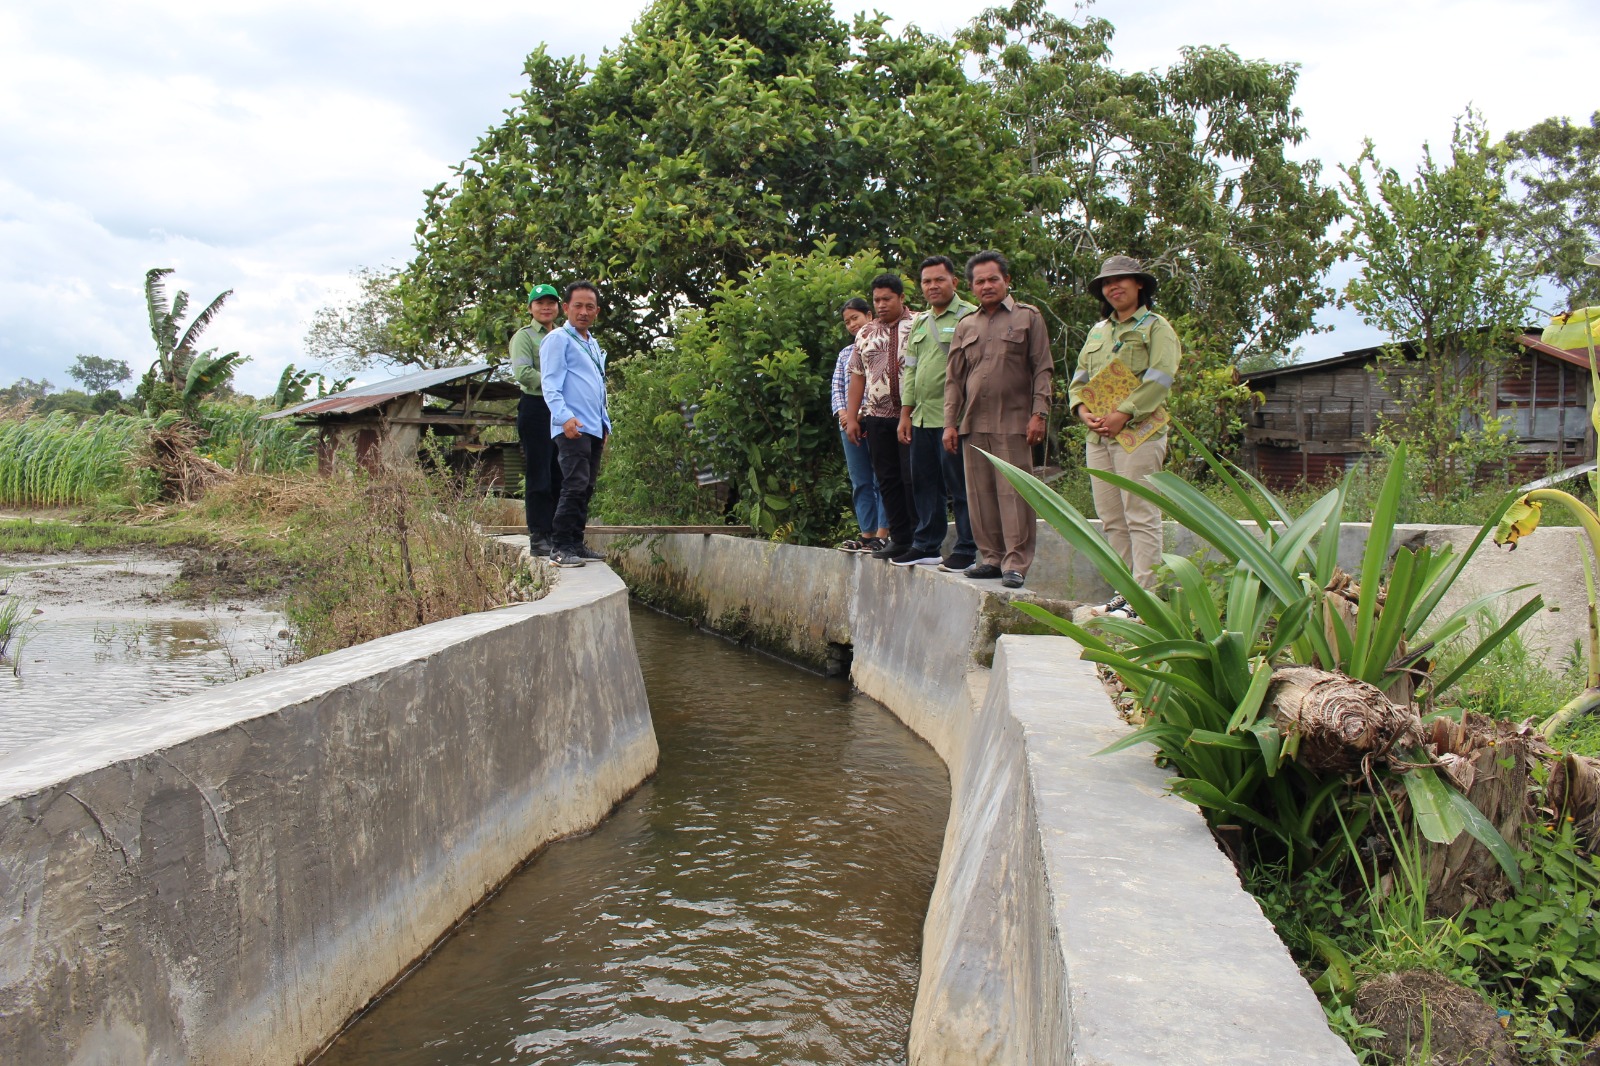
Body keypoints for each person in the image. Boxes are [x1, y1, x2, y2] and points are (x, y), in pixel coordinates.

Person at [1069, 255, 1182, 617]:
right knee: (1112, 517)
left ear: (1139, 285)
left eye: (1121, 280)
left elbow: (1161, 376)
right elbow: (1079, 379)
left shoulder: (1155, 327)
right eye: (1106, 283)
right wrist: (1083, 411)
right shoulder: (1098, 331)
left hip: (1139, 435)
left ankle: (1144, 598)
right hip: (1099, 438)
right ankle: (1124, 591)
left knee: (1140, 514)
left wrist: (1123, 414)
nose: (1113, 287)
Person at [942, 251, 1053, 590]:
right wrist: (950, 422)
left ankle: (1015, 564)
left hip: (1015, 422)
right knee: (980, 495)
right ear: (972, 287)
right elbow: (954, 380)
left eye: (993, 279)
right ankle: (990, 558)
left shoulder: (1028, 318)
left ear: (1006, 280)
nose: (987, 285)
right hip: (973, 424)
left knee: (1014, 495)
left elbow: (1042, 368)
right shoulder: (966, 325)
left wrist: (1039, 413)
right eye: (980, 281)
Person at [894, 256, 978, 570]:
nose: (932, 286)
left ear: (954, 282)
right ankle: (926, 544)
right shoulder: (919, 322)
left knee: (960, 486)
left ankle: (967, 548)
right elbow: (911, 372)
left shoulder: (970, 316)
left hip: (953, 419)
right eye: (926, 281)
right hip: (922, 417)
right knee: (924, 483)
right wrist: (905, 414)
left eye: (939, 280)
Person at [844, 273, 917, 561]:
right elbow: (857, 377)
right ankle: (899, 539)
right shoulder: (865, 333)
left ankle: (919, 537)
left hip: (912, 416)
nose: (882, 304)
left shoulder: (919, 324)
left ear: (901, 298)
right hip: (876, 416)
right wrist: (852, 418)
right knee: (887, 479)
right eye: (877, 300)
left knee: (914, 478)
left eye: (887, 298)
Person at [540, 281, 611, 569]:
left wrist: (605, 425)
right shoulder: (558, 339)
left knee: (587, 486)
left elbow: (598, 387)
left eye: (589, 307)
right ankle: (559, 547)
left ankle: (575, 543)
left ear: (597, 311)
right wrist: (564, 417)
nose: (584, 312)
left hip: (593, 427)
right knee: (574, 483)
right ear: (566, 308)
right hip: (572, 425)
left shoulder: (591, 343)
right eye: (578, 306)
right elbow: (550, 384)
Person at [831, 297, 889, 553]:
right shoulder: (845, 353)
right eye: (847, 322)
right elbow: (837, 388)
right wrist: (845, 415)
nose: (852, 324)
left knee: (883, 479)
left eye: (855, 318)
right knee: (861, 481)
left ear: (869, 315)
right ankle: (866, 534)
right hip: (849, 425)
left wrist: (861, 413)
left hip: (877, 420)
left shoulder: (882, 344)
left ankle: (883, 534)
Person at [509, 283, 563, 556]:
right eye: (540, 303)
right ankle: (539, 536)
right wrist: (557, 386)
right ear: (530, 308)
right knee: (539, 472)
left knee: (560, 472)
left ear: (558, 307)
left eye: (551, 302)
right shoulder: (525, 336)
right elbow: (524, 373)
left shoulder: (565, 336)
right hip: (536, 407)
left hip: (561, 410)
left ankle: (557, 533)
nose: (546, 307)